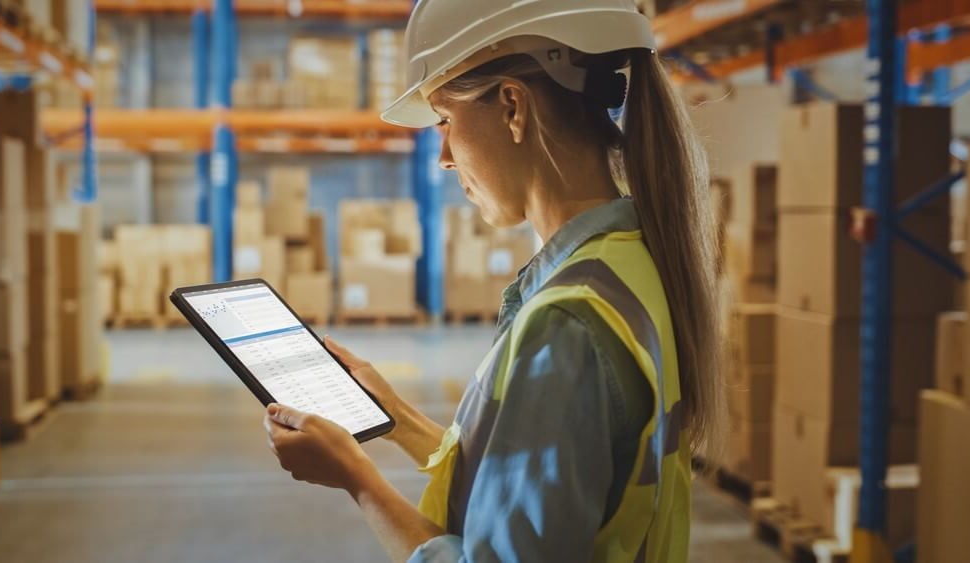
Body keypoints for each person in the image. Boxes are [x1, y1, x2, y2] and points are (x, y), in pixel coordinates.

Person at [262, 0, 724, 561]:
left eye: (445, 121)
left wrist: (357, 478)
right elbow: (538, 478)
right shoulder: (627, 263)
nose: (444, 157)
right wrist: (397, 420)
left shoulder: (569, 321)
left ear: (512, 107)